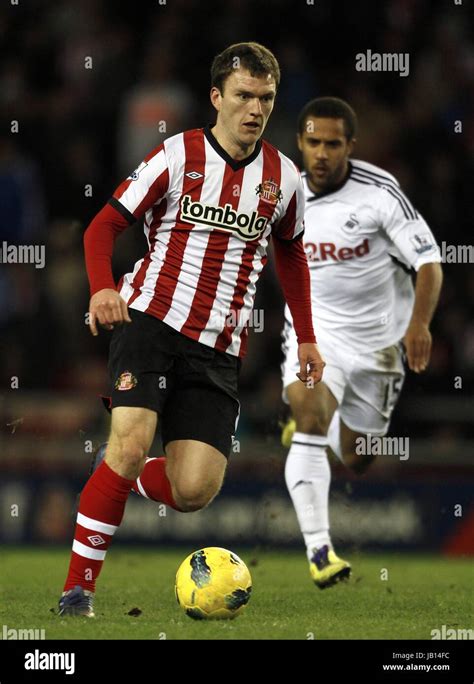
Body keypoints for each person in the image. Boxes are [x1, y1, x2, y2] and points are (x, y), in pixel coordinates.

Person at [58, 42, 325, 617]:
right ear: (216, 97)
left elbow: (292, 255)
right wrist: (102, 288)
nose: (255, 109)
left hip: (218, 348)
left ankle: (116, 475)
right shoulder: (176, 155)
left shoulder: (283, 177)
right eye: (244, 96)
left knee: (194, 491)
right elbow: (102, 227)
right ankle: (77, 593)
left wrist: (306, 336)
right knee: (130, 443)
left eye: (266, 98)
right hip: (150, 321)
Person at [281, 97, 443, 589]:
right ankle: (320, 551)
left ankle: (316, 431)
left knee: (358, 457)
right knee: (310, 417)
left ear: (350, 145)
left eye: (333, 144)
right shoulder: (283, 192)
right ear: (300, 142)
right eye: (314, 142)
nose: (322, 153)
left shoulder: (380, 192)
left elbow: (430, 263)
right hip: (316, 335)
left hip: (379, 344)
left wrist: (419, 325)